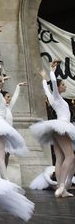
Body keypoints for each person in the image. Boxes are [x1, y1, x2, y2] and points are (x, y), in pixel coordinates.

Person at [30, 60, 75, 198]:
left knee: (60, 157)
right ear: (59, 87)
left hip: (57, 128)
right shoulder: (56, 96)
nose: (64, 86)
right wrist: (51, 70)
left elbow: (46, 88)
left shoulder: (52, 98)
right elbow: (53, 84)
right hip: (62, 126)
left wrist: (44, 77)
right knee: (70, 156)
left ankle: (61, 187)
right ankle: (62, 186)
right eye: (63, 84)